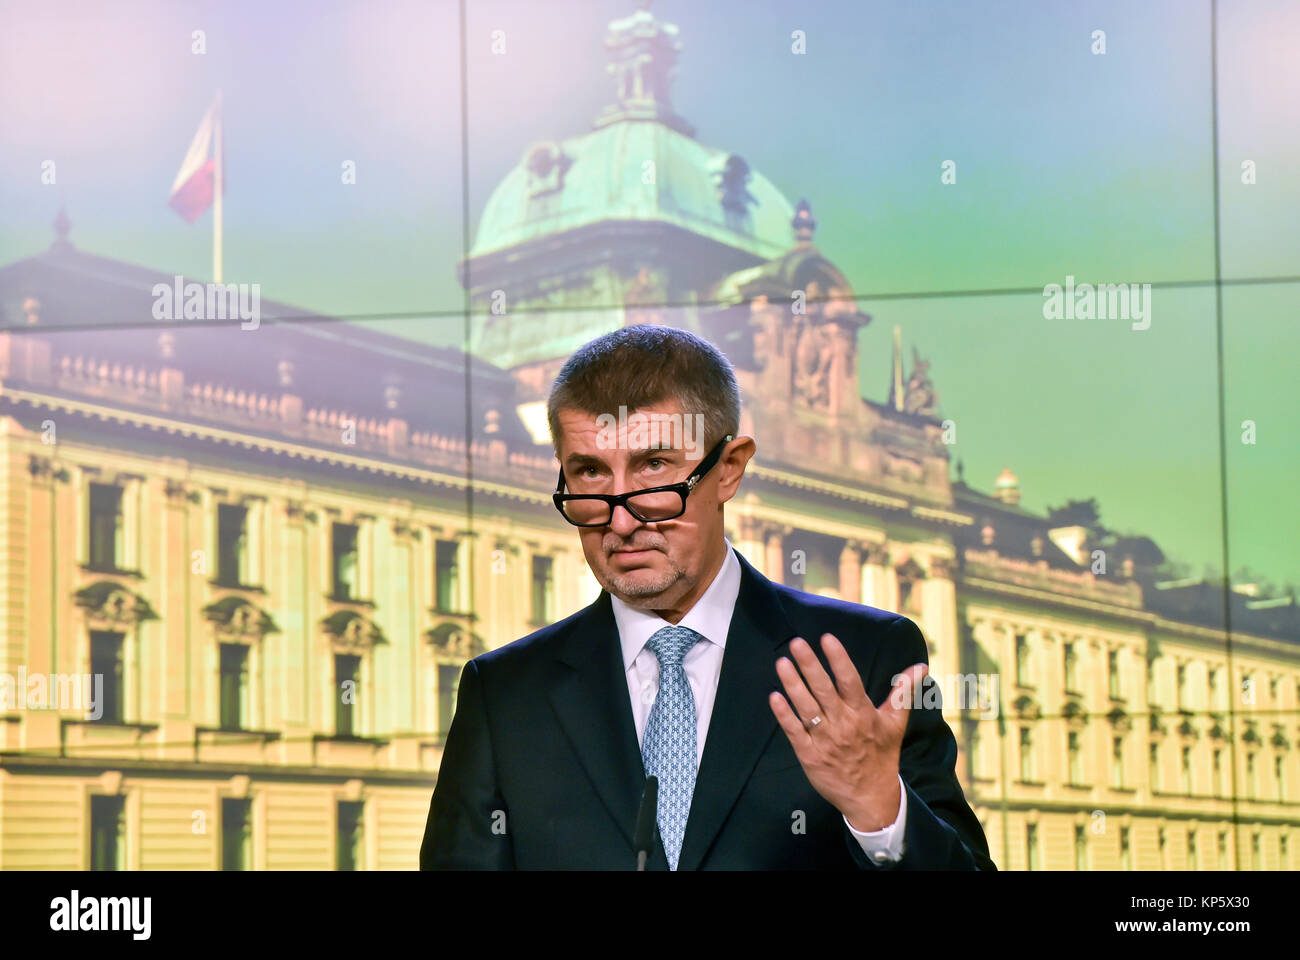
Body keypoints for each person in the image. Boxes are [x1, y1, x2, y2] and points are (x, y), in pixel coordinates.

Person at [420, 324, 995, 870]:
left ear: (729, 470)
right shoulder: (503, 695)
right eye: (591, 474)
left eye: (653, 469)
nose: (620, 522)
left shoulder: (864, 658)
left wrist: (881, 812)